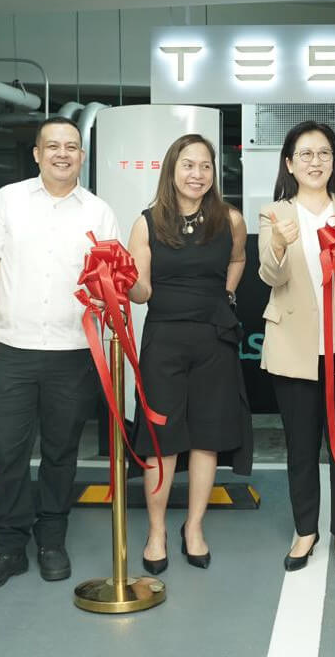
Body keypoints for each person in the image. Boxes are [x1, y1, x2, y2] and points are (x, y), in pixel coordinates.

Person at [0, 117, 118, 591]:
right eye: (52, 146)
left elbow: (110, 276)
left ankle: (52, 539)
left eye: (71, 146)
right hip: (12, 349)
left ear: (82, 156)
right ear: (36, 154)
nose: (62, 154)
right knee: (7, 451)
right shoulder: (7, 200)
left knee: (61, 450)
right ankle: (7, 546)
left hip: (74, 352)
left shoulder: (98, 211)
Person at [258, 120, 335, 575]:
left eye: (324, 153)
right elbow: (270, 276)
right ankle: (305, 530)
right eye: (306, 154)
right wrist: (278, 244)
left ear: (334, 161)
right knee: (300, 446)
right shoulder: (274, 213)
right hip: (294, 347)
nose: (316, 162)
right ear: (289, 163)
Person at [125, 133, 251, 574]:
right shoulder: (146, 223)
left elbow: (238, 259)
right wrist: (120, 283)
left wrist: (227, 293)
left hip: (215, 338)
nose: (197, 174)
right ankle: (156, 530)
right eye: (188, 165)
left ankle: (193, 527)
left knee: (206, 438)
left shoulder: (230, 219)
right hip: (164, 340)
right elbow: (142, 291)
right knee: (161, 441)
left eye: (205, 166)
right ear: (172, 170)